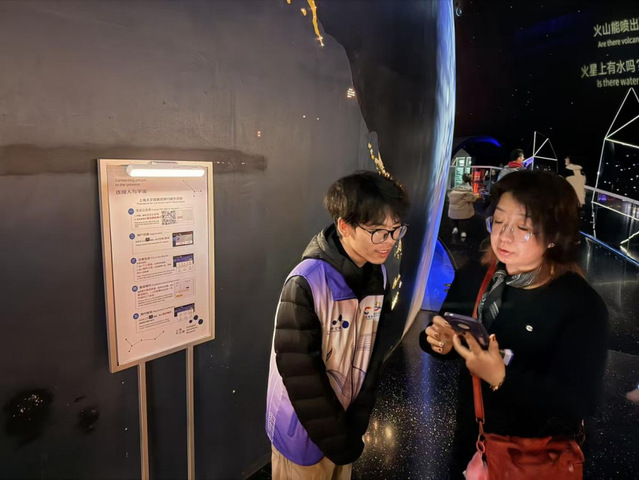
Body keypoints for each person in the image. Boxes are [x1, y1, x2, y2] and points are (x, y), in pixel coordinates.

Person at [420, 170, 608, 479]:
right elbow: (447, 328)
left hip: (535, 455)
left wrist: (502, 378)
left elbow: (579, 401)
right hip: (474, 440)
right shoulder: (476, 275)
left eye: (523, 228)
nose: (504, 237)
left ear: (554, 236)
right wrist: (438, 341)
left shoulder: (580, 304)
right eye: (498, 221)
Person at [266, 170, 409, 479]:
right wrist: (338, 440)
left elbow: (373, 356)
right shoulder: (306, 282)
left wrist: (357, 422)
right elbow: (301, 375)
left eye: (395, 230)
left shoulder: (378, 275)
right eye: (378, 232)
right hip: (302, 435)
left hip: (346, 428)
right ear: (344, 226)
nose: (389, 242)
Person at [447, 173, 478, 239]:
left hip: (452, 210)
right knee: (463, 220)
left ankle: (455, 228)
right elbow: (471, 199)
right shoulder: (468, 189)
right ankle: (463, 232)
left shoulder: (456, 188)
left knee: (453, 218)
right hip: (463, 210)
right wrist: (476, 197)